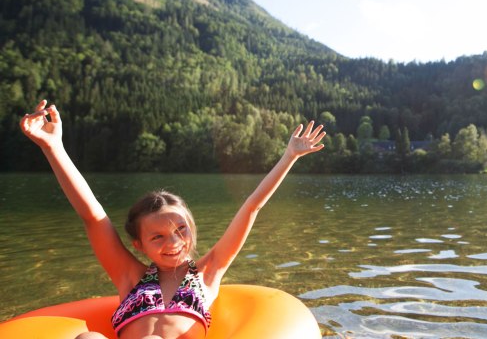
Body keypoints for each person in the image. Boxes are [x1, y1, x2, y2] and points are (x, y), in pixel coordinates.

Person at [19, 100, 325, 339]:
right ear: (139, 244)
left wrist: (289, 156)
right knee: (89, 336)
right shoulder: (130, 277)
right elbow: (91, 213)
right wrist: (53, 147)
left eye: (181, 230)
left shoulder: (207, 275)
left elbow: (251, 206)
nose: (174, 242)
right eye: (158, 237)